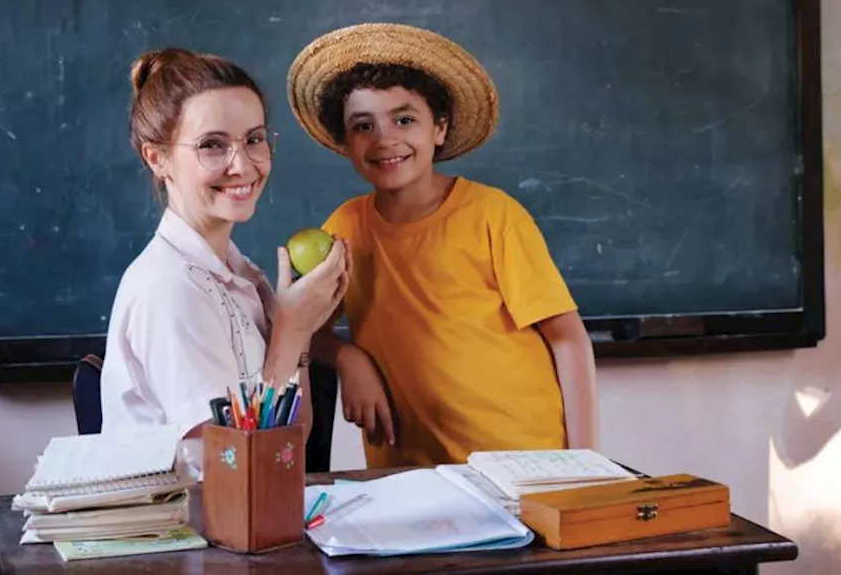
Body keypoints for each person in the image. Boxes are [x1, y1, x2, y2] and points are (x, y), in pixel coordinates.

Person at [286, 23, 598, 468]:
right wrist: (347, 357)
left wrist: (585, 466)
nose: (384, 138)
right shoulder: (344, 228)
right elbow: (301, 327)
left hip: (524, 464)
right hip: (410, 472)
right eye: (363, 126)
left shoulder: (494, 214)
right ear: (347, 142)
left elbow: (568, 340)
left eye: (405, 119)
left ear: (440, 128)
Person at [100, 47, 348, 474]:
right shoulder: (172, 290)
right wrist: (289, 330)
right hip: (185, 533)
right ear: (156, 157)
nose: (243, 165)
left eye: (254, 139)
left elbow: (294, 446)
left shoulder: (236, 273)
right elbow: (242, 471)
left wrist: (301, 333)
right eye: (212, 145)